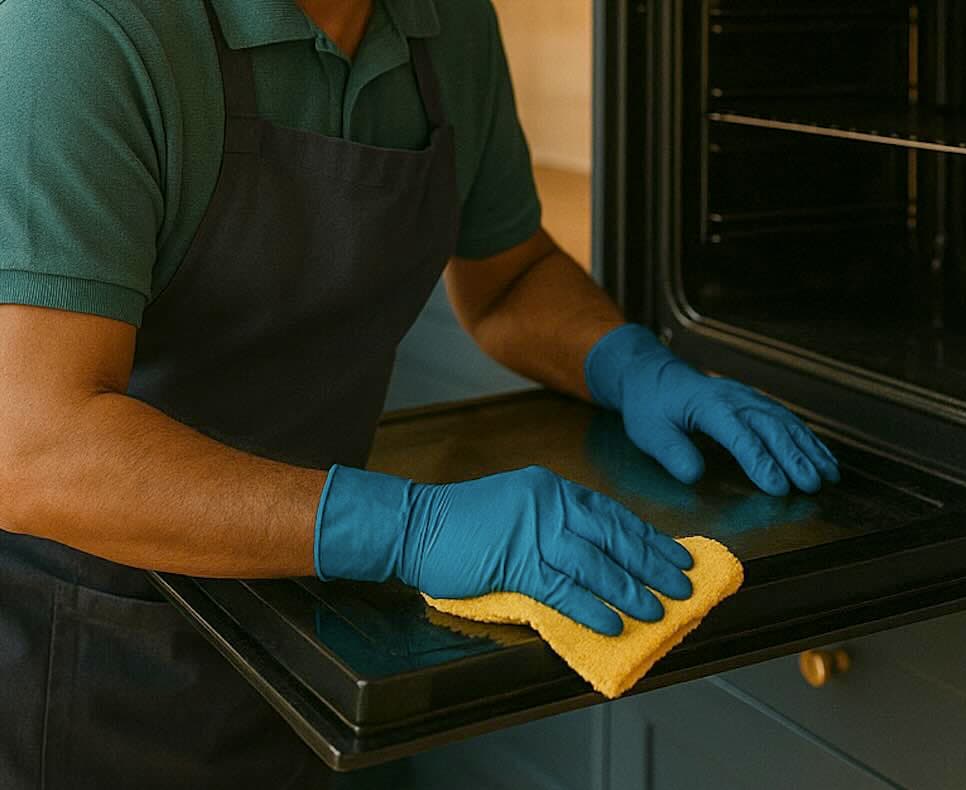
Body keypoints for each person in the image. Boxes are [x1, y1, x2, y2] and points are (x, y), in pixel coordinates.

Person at [0, 0, 839, 786]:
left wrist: (632, 365)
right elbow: (33, 448)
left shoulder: (448, 23)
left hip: (334, 631)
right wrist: (411, 528)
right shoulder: (79, 33)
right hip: (91, 656)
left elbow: (509, 278)